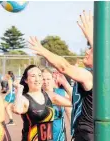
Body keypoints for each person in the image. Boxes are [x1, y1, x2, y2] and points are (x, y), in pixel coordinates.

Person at [28, 11, 93, 141]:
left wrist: (43, 51)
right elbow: (76, 101)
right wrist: (65, 84)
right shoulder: (86, 76)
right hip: (82, 133)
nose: (86, 51)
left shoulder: (90, 76)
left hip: (88, 134)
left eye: (90, 49)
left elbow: (64, 66)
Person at [13, 65, 71, 141]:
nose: (37, 79)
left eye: (39, 75)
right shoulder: (25, 98)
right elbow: (17, 109)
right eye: (33, 76)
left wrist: (65, 83)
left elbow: (73, 102)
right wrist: (19, 89)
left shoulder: (50, 96)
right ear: (26, 80)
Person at [42, 68, 72, 141]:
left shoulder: (61, 93)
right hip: (43, 132)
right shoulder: (37, 95)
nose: (46, 82)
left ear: (53, 79)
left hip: (59, 133)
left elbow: (69, 111)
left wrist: (74, 130)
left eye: (48, 79)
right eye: (43, 79)